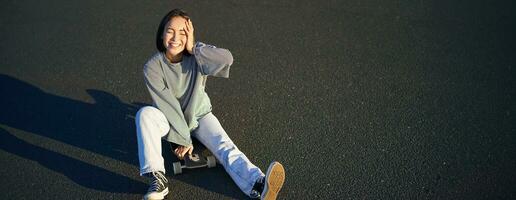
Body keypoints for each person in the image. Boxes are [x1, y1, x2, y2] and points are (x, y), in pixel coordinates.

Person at [135, 9, 286, 200]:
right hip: (171, 120)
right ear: (162, 34)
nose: (175, 37)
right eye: (170, 31)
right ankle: (157, 179)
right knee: (145, 114)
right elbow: (169, 107)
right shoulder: (152, 67)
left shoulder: (199, 56)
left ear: (189, 35)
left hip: (200, 116)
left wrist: (194, 48)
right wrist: (181, 140)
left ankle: (259, 185)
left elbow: (227, 59)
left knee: (226, 147)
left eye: (183, 32)